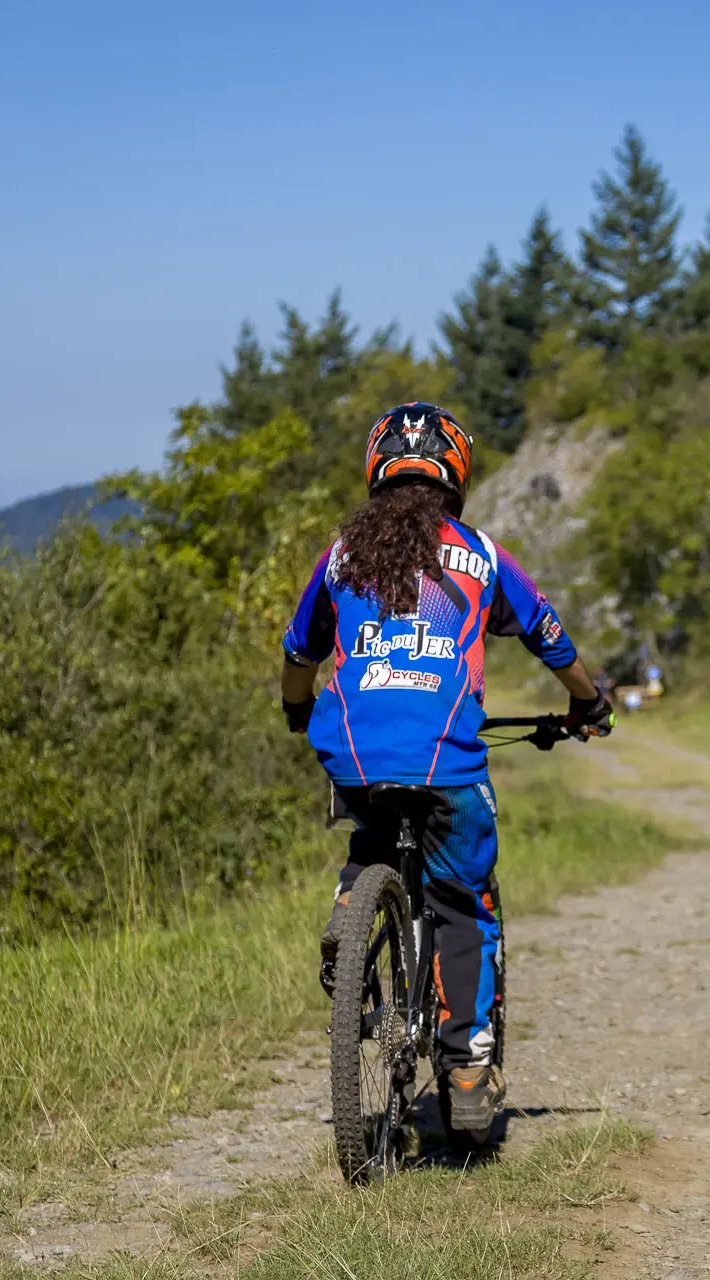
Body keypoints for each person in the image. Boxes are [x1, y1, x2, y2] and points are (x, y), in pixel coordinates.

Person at [277, 402, 614, 1131]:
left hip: (355, 756)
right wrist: (589, 704)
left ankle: (351, 902)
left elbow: (299, 654)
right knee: (464, 900)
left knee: (372, 823)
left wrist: (298, 712)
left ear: (376, 471)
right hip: (447, 762)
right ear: (454, 474)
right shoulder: (481, 554)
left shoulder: (340, 555)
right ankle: (465, 1075)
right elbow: (550, 639)